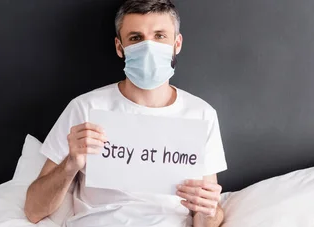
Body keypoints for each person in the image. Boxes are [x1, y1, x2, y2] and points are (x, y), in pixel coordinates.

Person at [25, 0, 228, 226]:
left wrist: (208, 211)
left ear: (176, 43)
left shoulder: (201, 115)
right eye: (136, 38)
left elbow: (208, 216)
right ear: (119, 47)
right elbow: (33, 210)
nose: (149, 47)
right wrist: (71, 164)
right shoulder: (85, 108)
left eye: (160, 36)